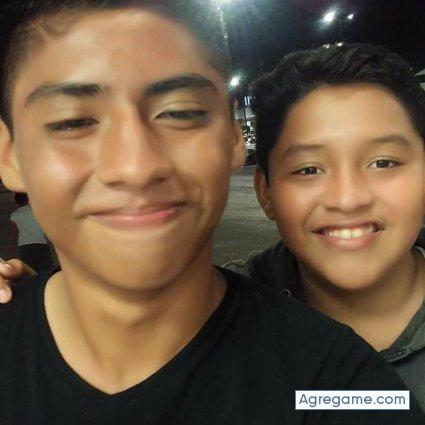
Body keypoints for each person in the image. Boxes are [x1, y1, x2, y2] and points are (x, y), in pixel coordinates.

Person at [0, 2, 423, 423]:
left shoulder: (345, 383)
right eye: (72, 122)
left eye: (179, 112)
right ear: (8, 153)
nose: (136, 166)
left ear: (234, 135)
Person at [224, 44, 425, 408]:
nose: (347, 199)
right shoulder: (215, 321)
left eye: (383, 163)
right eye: (309, 169)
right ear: (266, 192)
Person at [8, 192, 55, 272]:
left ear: (16, 202)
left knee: (30, 271)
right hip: (41, 244)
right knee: (47, 271)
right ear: (28, 199)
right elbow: (46, 228)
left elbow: (14, 233)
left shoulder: (14, 215)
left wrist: (11, 249)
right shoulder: (37, 212)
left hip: (25, 246)